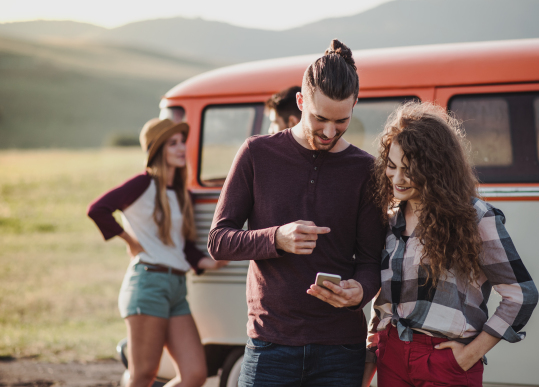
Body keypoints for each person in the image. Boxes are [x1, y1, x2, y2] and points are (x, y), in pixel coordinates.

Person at [208, 39, 386, 387]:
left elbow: (371, 261)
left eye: (342, 121)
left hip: (341, 350)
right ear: (301, 102)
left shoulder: (367, 169)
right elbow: (219, 241)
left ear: (355, 106)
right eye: (320, 119)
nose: (330, 132)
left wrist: (360, 292)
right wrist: (276, 238)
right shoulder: (257, 153)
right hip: (270, 344)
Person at [362, 102, 539, 387]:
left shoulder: (476, 218)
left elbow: (521, 294)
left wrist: (470, 355)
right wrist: (372, 359)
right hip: (391, 355)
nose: (396, 179)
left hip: (445, 361)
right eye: (391, 167)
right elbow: (382, 303)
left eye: (409, 170)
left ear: (435, 169)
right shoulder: (391, 220)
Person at [87, 118, 228, 387]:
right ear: (157, 150)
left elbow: (180, 244)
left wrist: (208, 263)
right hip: (148, 283)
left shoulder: (179, 192)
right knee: (143, 375)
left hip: (176, 287)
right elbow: (98, 209)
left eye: (182, 143)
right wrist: (129, 239)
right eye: (172, 143)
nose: (181, 148)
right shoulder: (142, 184)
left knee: (195, 374)